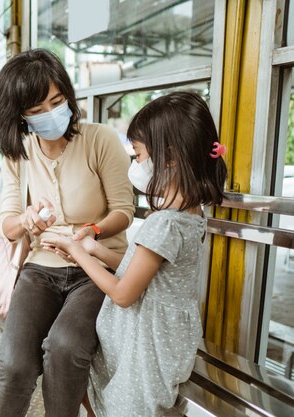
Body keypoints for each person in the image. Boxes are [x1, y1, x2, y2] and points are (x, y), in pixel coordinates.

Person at [41, 91, 228, 416]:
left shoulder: (165, 223)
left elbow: (124, 293)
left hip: (147, 347)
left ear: (168, 157)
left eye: (139, 156)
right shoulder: (192, 213)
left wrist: (76, 250)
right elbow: (146, 270)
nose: (135, 164)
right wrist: (94, 249)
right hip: (166, 340)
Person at [0, 48, 135, 417]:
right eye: (36, 110)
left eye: (57, 101)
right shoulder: (16, 152)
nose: (51, 113)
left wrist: (92, 232)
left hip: (93, 271)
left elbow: (124, 211)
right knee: (14, 365)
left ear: (68, 94)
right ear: (19, 116)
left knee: (65, 347)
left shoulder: (100, 140)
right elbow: (7, 226)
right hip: (40, 268)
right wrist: (27, 221)